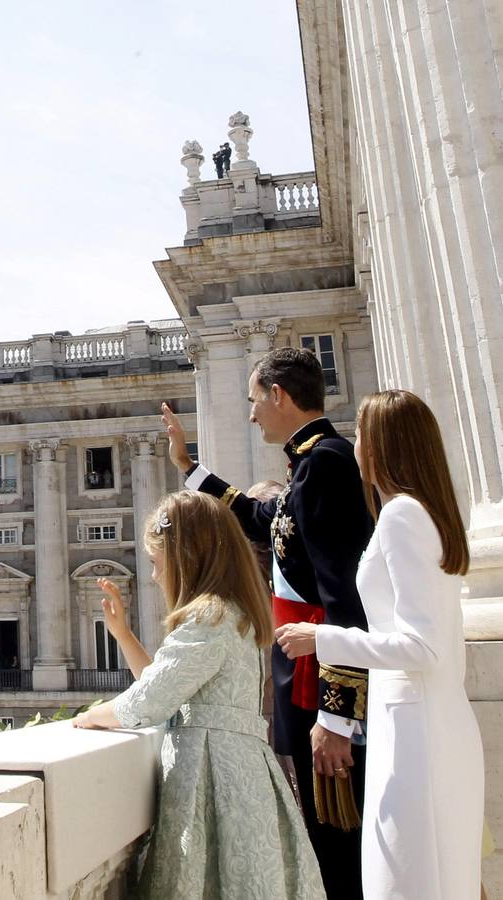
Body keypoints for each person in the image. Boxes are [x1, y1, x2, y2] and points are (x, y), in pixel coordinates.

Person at [163, 346, 372, 900]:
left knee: (338, 843)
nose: (252, 413)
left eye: (254, 399)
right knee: (325, 838)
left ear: (278, 395)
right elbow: (262, 518)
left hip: (317, 676)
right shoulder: (308, 464)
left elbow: (341, 594)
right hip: (301, 669)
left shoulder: (326, 462)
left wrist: (338, 716)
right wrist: (190, 468)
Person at [274, 389, 484, 899]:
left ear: (385, 445)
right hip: (425, 719)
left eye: (364, 434)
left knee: (404, 885)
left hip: (414, 729)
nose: (357, 445)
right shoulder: (427, 513)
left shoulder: (401, 517)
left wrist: (322, 638)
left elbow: (421, 647)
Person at [73, 491, 325, 899]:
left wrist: (89, 717)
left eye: (156, 563)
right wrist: (122, 634)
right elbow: (169, 684)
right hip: (240, 777)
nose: (153, 576)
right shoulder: (233, 613)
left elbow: (146, 702)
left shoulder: (207, 616)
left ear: (186, 555)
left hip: (216, 783)